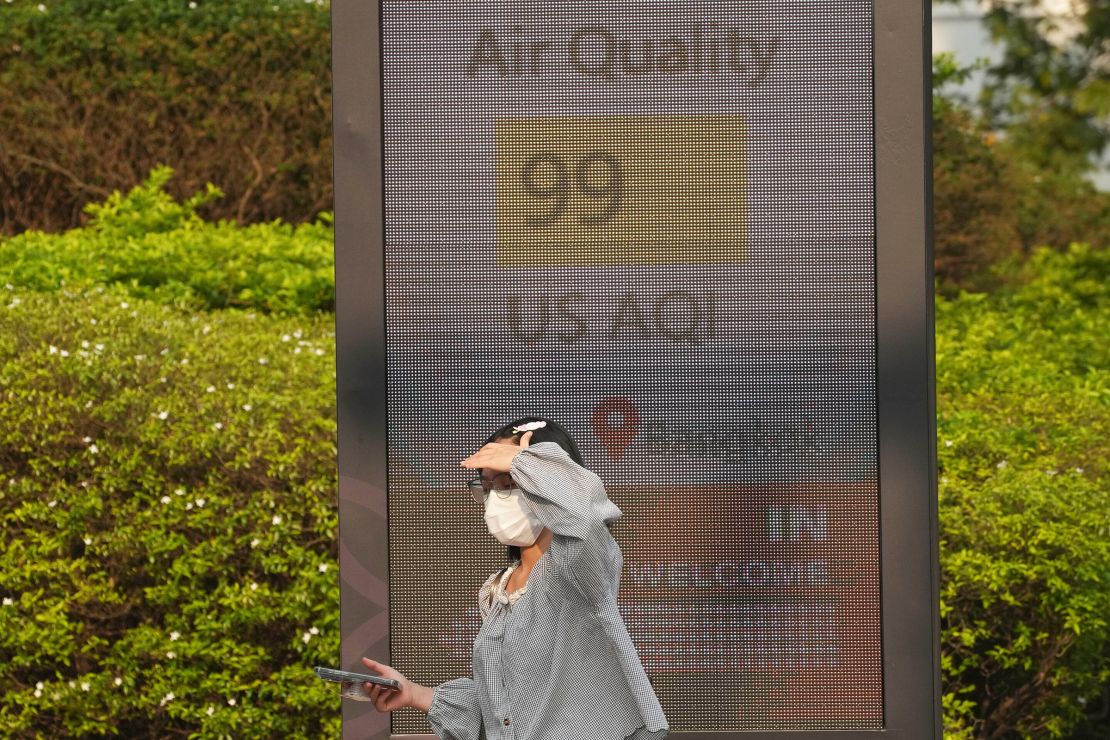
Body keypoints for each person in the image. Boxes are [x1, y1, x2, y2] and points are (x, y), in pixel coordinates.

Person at [359, 415, 669, 739]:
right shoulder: (496, 591)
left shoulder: (577, 566)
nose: (495, 499)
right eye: (488, 487)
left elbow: (587, 517)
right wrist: (413, 693)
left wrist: (527, 461)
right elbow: (505, 711)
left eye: (509, 483)